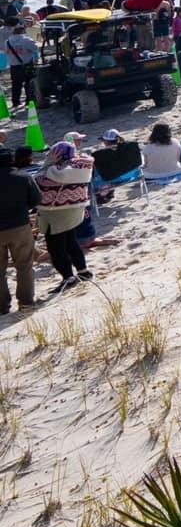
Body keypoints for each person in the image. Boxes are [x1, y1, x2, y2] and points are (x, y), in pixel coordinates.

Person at [36, 142, 93, 289]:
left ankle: (68, 277)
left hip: (55, 213)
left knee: (56, 249)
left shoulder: (55, 172)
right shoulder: (82, 166)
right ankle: (83, 271)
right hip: (74, 210)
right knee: (71, 242)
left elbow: (38, 182)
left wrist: (48, 162)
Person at [0, 147, 41, 311]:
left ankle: (2, 306)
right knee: (24, 266)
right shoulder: (24, 177)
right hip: (19, 226)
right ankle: (26, 302)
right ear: (11, 160)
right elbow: (37, 199)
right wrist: (22, 209)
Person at [4, 20, 37, 111]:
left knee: (16, 84)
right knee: (28, 83)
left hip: (14, 65)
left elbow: (6, 52)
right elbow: (35, 48)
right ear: (23, 31)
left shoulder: (7, 41)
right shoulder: (26, 40)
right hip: (26, 64)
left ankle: (15, 102)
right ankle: (29, 101)